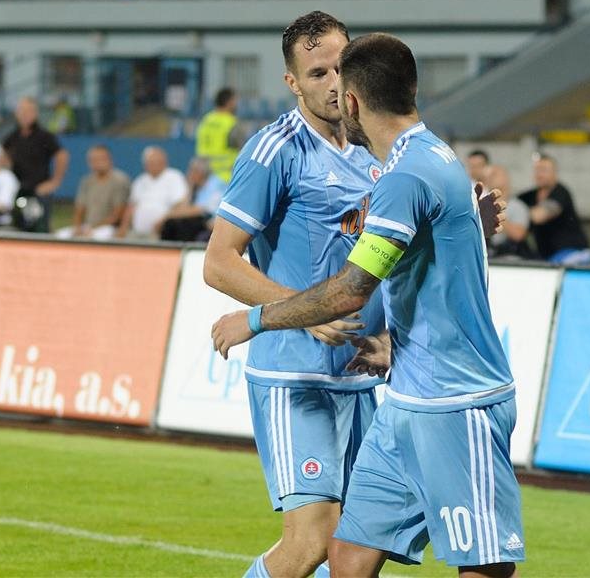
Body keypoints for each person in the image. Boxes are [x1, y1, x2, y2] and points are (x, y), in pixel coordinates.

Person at [211, 32, 524, 578]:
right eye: (317, 74)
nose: (332, 85)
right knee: (320, 544)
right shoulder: (277, 151)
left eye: (340, 70)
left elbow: (365, 279)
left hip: (397, 384)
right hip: (303, 378)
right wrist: (302, 318)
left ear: (357, 88)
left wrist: (461, 221)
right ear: (292, 82)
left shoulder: (394, 161)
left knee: (363, 553)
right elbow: (219, 262)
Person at [2, 96, 69, 233]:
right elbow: (3, 154)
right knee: (17, 227)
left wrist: (55, 182)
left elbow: (62, 156)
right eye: (21, 111)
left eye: (28, 111)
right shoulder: (13, 137)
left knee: (39, 228)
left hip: (39, 191)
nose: (24, 114)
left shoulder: (44, 136)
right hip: (19, 190)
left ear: (35, 113)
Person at [517, 153, 590, 265]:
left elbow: (540, 216)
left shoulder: (560, 192)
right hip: (548, 256)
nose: (539, 174)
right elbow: (510, 204)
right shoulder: (530, 196)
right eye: (537, 170)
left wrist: (516, 214)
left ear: (555, 173)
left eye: (544, 170)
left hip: (574, 252)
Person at [467, 150, 534, 260]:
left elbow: (519, 234)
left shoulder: (517, 206)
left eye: (495, 174)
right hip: (487, 255)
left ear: (506, 178)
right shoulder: (478, 202)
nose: (490, 177)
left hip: (512, 257)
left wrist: (492, 216)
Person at [56, 144, 130, 240]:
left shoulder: (119, 180)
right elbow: (79, 209)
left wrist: (92, 228)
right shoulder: (87, 181)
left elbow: (117, 214)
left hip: (110, 227)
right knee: (59, 235)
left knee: (98, 236)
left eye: (100, 159)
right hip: (88, 226)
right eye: (93, 160)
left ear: (109, 160)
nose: (96, 163)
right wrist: (77, 227)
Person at [121, 146, 189, 240]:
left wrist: (163, 220)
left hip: (160, 233)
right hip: (137, 232)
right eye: (150, 162)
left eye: (157, 161)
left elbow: (181, 205)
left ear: (164, 161)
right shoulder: (140, 181)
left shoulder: (174, 177)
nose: (154, 165)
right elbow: (131, 207)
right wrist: (123, 228)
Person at [158, 157, 226, 242]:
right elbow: (184, 206)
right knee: (171, 224)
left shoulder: (216, 184)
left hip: (214, 223)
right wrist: (190, 188)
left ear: (200, 172)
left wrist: (168, 216)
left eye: (191, 171)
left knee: (177, 224)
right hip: (201, 221)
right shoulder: (197, 187)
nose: (189, 174)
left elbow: (200, 210)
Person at [196, 86, 242, 183]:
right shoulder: (232, 123)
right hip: (227, 177)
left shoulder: (206, 120)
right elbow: (242, 150)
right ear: (229, 102)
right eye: (235, 101)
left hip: (206, 177)